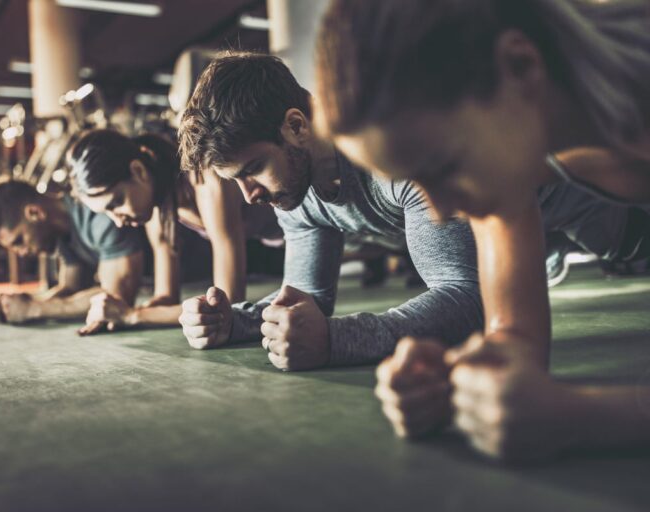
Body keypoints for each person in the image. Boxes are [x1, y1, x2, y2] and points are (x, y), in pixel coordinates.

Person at [315, 0, 650, 460]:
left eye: (443, 167)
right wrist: (467, 383)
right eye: (416, 182)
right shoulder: (510, 158)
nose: (438, 211)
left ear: (520, 66)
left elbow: (577, 416)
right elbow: (515, 340)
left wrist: (584, 416)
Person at [175, 51, 640, 373]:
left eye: (253, 168)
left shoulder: (394, 146)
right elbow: (309, 300)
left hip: (614, 212)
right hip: (522, 233)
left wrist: (335, 341)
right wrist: (233, 321)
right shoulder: (292, 188)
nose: (249, 195)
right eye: (235, 179)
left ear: (296, 126)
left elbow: (466, 299)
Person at [66, 130, 284, 335]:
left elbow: (228, 303)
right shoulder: (159, 210)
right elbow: (166, 297)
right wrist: (119, 311)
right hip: (278, 238)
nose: (118, 221)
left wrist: (132, 315)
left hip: (303, 227)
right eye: (107, 213)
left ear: (138, 171)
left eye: (116, 202)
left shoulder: (205, 179)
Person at [0, 177, 143, 325]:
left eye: (19, 241)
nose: (21, 253)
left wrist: (33, 309)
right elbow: (72, 287)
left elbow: (116, 299)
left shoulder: (96, 212)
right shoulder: (62, 233)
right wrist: (25, 302)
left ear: (35, 213)